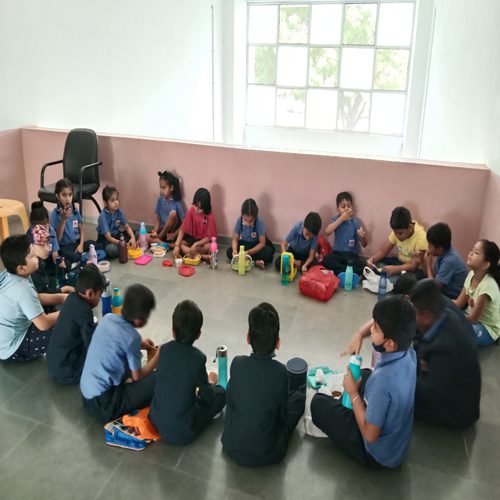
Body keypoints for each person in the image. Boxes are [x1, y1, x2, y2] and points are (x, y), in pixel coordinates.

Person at [311, 296, 417, 468]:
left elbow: (370, 435)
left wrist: (353, 394)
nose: (371, 330)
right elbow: (384, 323)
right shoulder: (409, 352)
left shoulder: (383, 380)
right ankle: (351, 404)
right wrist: (360, 333)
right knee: (365, 373)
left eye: (376, 328)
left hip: (376, 455)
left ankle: (345, 408)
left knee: (318, 403)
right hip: (397, 445)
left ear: (389, 344)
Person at [221, 303, 305, 466]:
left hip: (232, 444)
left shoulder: (237, 363)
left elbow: (230, 402)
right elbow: (282, 417)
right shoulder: (281, 372)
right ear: (278, 342)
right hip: (268, 453)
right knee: (298, 398)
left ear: (248, 338)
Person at [149, 300, 225, 445]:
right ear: (198, 334)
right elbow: (207, 397)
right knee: (221, 394)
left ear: (173, 330)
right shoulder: (198, 358)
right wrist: (211, 382)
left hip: (156, 420)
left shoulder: (164, 349)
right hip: (182, 431)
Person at [80, 284, 159, 422]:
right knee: (157, 378)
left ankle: (123, 386)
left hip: (86, 396)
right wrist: (158, 357)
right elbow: (138, 378)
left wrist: (141, 344)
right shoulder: (132, 337)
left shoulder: (108, 319)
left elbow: (118, 340)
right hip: (105, 406)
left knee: (124, 361)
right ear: (139, 319)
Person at [410, 279, 480, 427]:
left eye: (414, 313)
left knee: (394, 399)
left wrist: (399, 379)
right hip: (448, 390)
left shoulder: (446, 347)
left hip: (457, 413)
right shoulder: (442, 310)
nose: (413, 318)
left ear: (425, 315)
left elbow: (429, 393)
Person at [0, 234, 60, 362]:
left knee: (51, 311)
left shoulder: (12, 274)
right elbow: (43, 324)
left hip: (8, 333)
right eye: (32, 256)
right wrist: (68, 310)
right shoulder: (22, 289)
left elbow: (35, 298)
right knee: (63, 329)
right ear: (21, 268)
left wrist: (62, 298)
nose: (36, 257)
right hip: (12, 347)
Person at [47, 264, 106, 384]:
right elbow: (92, 344)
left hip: (55, 363)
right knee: (104, 362)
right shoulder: (84, 311)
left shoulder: (71, 298)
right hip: (68, 371)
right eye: (99, 296)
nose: (99, 300)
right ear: (90, 293)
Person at [455, 240, 500, 346]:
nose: (470, 253)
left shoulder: (487, 286)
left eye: (476, 252)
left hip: (486, 327)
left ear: (485, 264)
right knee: (444, 319)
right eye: (472, 250)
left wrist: (453, 316)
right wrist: (441, 305)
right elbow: (458, 303)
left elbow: (473, 319)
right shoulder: (471, 274)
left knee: (461, 334)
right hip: (469, 316)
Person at [28, 201, 75, 296]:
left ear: (49, 222)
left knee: (65, 264)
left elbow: (55, 255)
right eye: (42, 244)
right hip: (37, 265)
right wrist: (63, 291)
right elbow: (42, 296)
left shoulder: (51, 232)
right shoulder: (29, 238)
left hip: (48, 262)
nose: (48, 248)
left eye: (45, 227)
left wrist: (59, 262)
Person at [367, 206, 427, 279]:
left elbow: (413, 265)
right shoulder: (398, 230)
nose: (397, 236)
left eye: (400, 233)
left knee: (409, 279)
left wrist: (395, 269)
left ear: (410, 228)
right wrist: (372, 260)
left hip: (413, 269)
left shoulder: (421, 237)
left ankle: (392, 278)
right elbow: (383, 251)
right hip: (398, 263)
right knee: (378, 263)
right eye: (394, 232)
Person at [323, 191, 367, 276]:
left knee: (363, 266)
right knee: (326, 259)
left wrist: (362, 237)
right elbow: (327, 232)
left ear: (352, 207)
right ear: (337, 209)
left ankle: (340, 272)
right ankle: (347, 272)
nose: (346, 208)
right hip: (337, 255)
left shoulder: (355, 223)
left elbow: (364, 244)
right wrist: (341, 219)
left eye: (349, 206)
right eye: (343, 206)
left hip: (351, 256)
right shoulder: (336, 220)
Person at [227, 198, 274, 269]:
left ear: (255, 217)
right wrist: (235, 250)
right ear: (242, 215)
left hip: (257, 245)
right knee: (229, 252)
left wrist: (248, 252)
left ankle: (247, 260)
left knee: (268, 253)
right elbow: (235, 239)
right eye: (245, 220)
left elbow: (262, 243)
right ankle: (254, 262)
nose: (248, 224)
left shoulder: (259, 221)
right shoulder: (239, 220)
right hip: (245, 244)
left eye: (251, 221)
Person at [173, 187, 217, 263]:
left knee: (210, 246)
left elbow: (209, 237)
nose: (196, 210)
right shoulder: (191, 210)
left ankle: (192, 252)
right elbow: (183, 229)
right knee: (180, 245)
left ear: (205, 207)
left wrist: (196, 244)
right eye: (195, 205)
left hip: (203, 241)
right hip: (192, 239)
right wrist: (177, 246)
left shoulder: (209, 215)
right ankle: (202, 257)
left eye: (200, 208)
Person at [425, 222, 467, 299]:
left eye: (430, 246)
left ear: (439, 249)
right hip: (443, 291)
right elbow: (433, 276)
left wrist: (428, 265)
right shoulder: (443, 253)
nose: (428, 248)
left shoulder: (450, 261)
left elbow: (434, 288)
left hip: (453, 298)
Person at [49, 178, 85, 264]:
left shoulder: (75, 211)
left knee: (97, 246)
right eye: (64, 195)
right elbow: (57, 240)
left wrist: (81, 244)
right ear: (58, 196)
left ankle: (81, 257)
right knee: (73, 256)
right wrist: (63, 220)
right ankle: (79, 258)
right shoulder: (54, 214)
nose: (68, 199)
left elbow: (81, 229)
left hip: (76, 243)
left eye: (70, 195)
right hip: (64, 246)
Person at [96, 185, 137, 259]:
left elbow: (127, 227)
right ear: (106, 203)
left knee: (136, 233)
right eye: (112, 200)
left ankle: (124, 247)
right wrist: (122, 243)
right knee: (111, 250)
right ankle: (124, 248)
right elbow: (108, 238)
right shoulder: (103, 216)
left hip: (117, 235)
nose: (116, 202)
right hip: (105, 239)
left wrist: (133, 237)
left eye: (117, 199)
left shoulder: (119, 211)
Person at [148, 170, 185, 246]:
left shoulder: (177, 202)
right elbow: (158, 219)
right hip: (162, 231)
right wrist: (155, 231)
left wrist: (174, 234)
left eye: (164, 188)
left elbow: (184, 223)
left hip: (171, 234)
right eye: (160, 187)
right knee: (147, 237)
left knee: (173, 213)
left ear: (171, 188)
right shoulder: (160, 200)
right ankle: (166, 245)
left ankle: (159, 239)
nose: (161, 191)